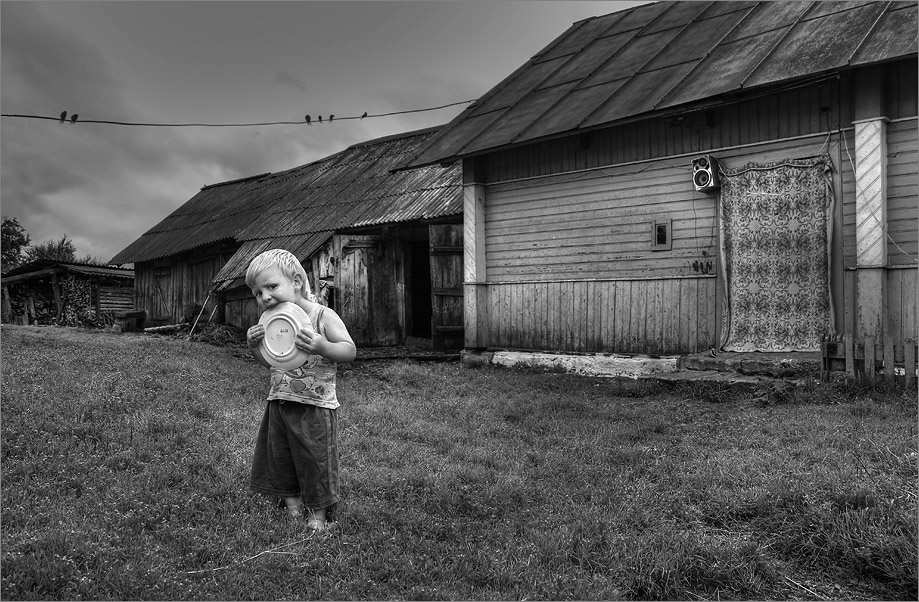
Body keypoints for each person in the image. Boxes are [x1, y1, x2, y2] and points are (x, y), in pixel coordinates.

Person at [244, 249, 356, 531]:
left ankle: (317, 518)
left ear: (296, 281)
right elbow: (269, 361)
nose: (265, 297)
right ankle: (292, 506)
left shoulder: (322, 316)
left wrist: (322, 346)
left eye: (271, 287)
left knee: (314, 459)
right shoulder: (271, 321)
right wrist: (255, 346)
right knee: (280, 457)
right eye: (258, 293)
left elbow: (349, 350)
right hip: (280, 402)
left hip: (315, 405)